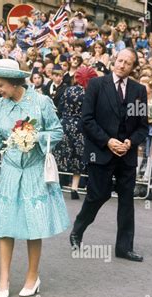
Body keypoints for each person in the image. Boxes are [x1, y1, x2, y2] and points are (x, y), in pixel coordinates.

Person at [0, 59, 70, 297]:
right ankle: (4, 278)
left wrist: (34, 135)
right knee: (5, 226)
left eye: (1, 85)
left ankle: (32, 276)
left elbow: (57, 132)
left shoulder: (41, 102)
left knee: (33, 225)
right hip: (9, 170)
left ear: (16, 83)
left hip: (34, 170)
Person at [70, 48, 148, 262]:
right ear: (115, 61)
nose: (122, 65)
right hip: (101, 152)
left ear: (133, 67)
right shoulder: (96, 85)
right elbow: (86, 120)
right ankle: (78, 230)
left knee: (126, 201)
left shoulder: (138, 91)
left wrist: (130, 141)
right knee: (98, 195)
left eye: (127, 63)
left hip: (126, 155)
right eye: (120, 60)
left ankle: (124, 247)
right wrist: (108, 141)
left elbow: (143, 127)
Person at [55, 66, 98, 200]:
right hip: (81, 127)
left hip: (65, 124)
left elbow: (60, 107)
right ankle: (74, 188)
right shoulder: (90, 93)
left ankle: (55, 185)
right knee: (78, 157)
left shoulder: (68, 90)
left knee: (60, 155)